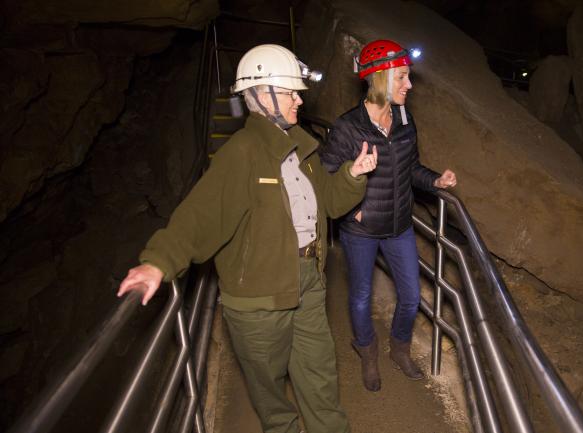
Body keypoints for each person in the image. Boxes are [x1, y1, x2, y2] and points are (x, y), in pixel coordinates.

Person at [117, 44, 378, 433]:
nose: (298, 100)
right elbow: (201, 214)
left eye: (297, 92)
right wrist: (159, 261)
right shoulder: (242, 153)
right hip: (259, 298)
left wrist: (353, 175)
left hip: (308, 282)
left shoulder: (303, 149)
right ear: (261, 95)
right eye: (290, 92)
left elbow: (329, 203)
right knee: (270, 392)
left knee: (320, 377)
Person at [320, 39, 457, 392]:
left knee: (411, 296)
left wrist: (435, 180)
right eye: (402, 78)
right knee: (361, 295)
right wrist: (354, 209)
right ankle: (367, 353)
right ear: (380, 78)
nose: (409, 85)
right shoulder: (348, 127)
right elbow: (326, 178)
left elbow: (411, 168)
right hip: (360, 231)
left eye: (408, 77)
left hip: (398, 226)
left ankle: (399, 348)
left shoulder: (405, 119)